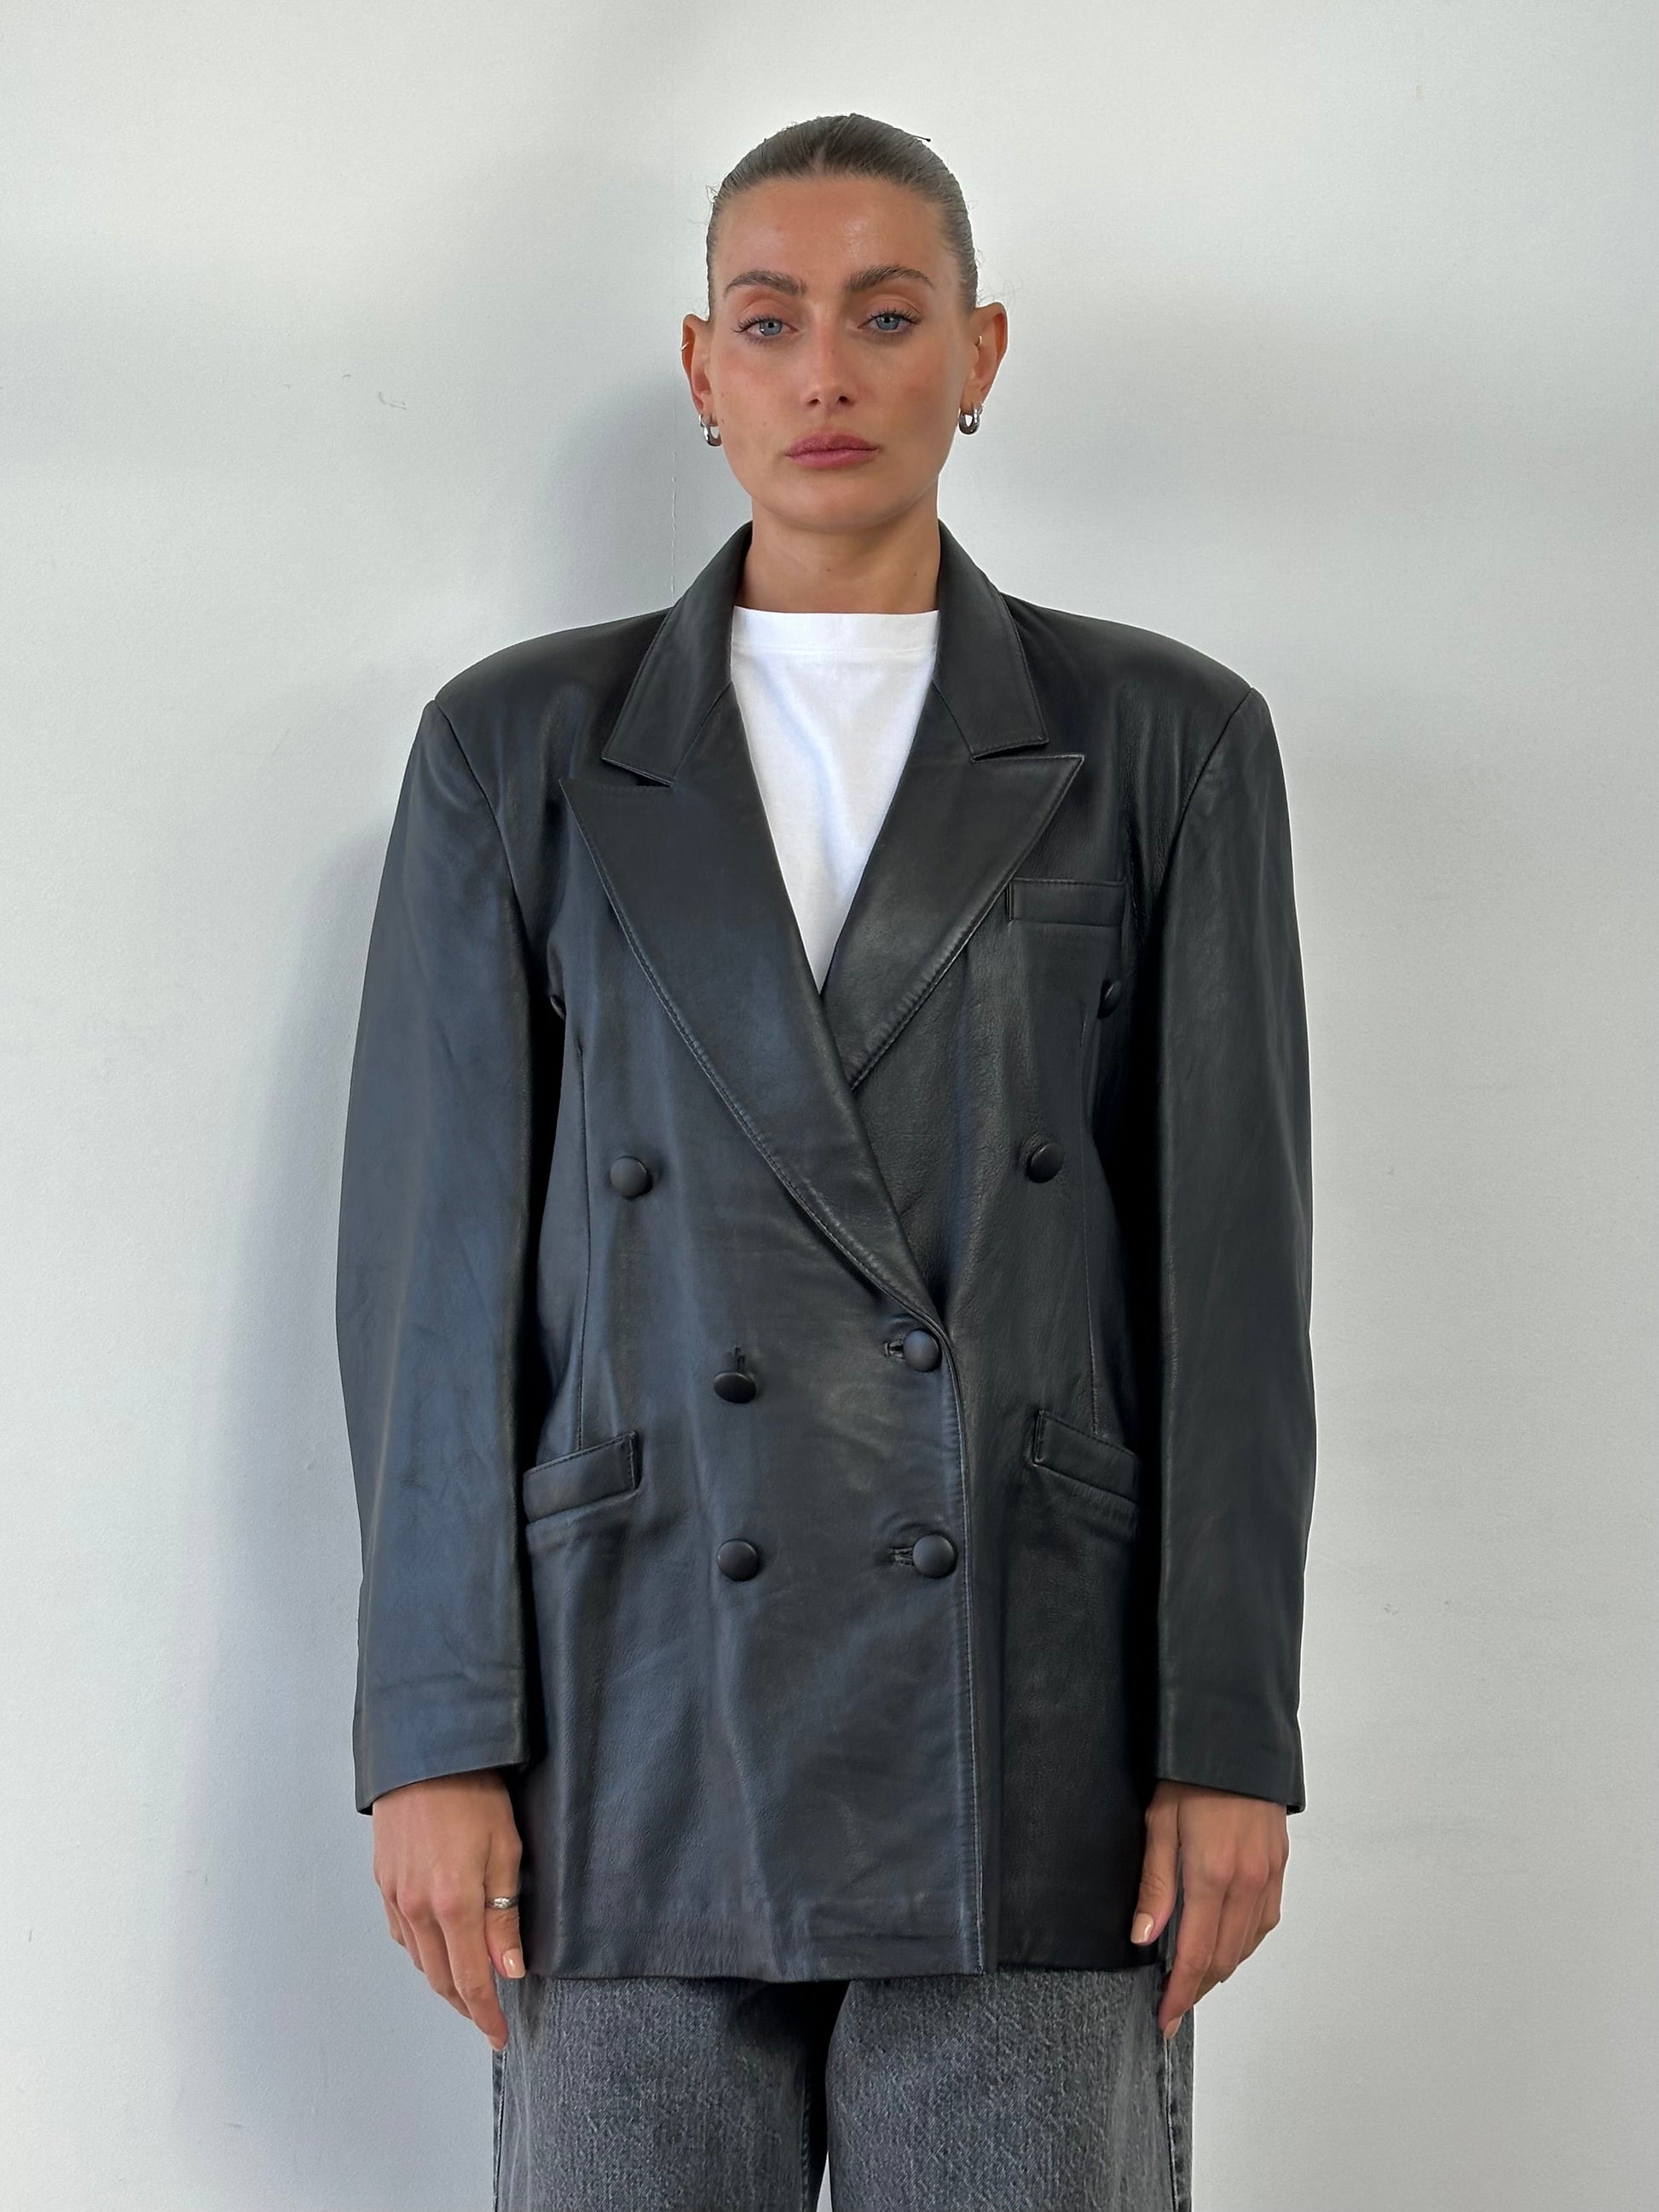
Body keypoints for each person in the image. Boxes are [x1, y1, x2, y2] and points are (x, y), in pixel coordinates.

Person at [335, 111, 1316, 2212]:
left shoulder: (1164, 740)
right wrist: (432, 1731)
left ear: (981, 351)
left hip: (1033, 1721)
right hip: (627, 1718)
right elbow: (430, 1281)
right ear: (702, 369)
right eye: (771, 321)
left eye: (886, 315)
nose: (826, 372)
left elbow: (1231, 1285)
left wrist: (1226, 1733)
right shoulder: (519, 749)